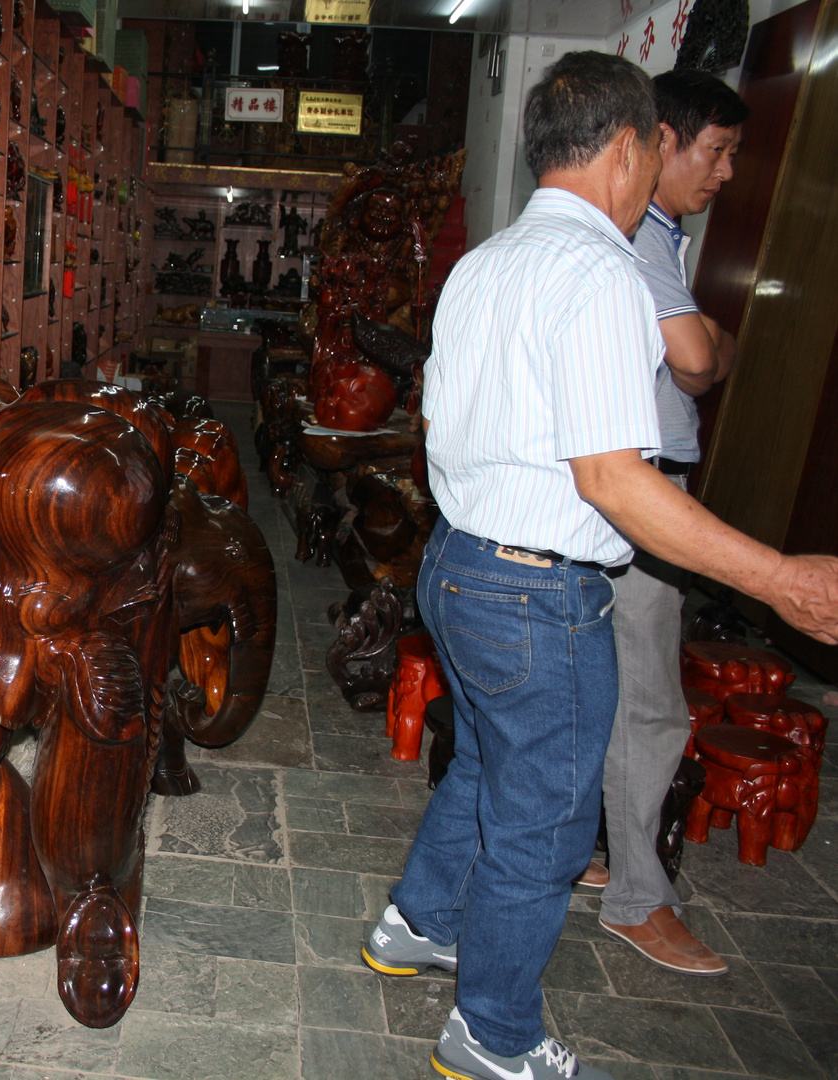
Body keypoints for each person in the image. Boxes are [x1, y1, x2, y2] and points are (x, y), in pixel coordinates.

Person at [359, 51, 838, 1080]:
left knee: (491, 763)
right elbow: (616, 483)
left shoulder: (482, 265)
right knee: (549, 822)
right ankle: (494, 1032)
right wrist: (780, 579)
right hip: (536, 590)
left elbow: (440, 421)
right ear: (632, 147)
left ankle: (416, 924)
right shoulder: (602, 277)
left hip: (458, 565)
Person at [588, 68, 748, 978]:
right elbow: (696, 359)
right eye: (715, 152)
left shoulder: (661, 236)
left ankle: (604, 861)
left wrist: (705, 349)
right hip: (642, 492)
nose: (724, 173)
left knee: (619, 696)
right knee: (651, 706)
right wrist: (712, 346)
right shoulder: (641, 236)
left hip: (648, 484)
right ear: (661, 142)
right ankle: (640, 900)